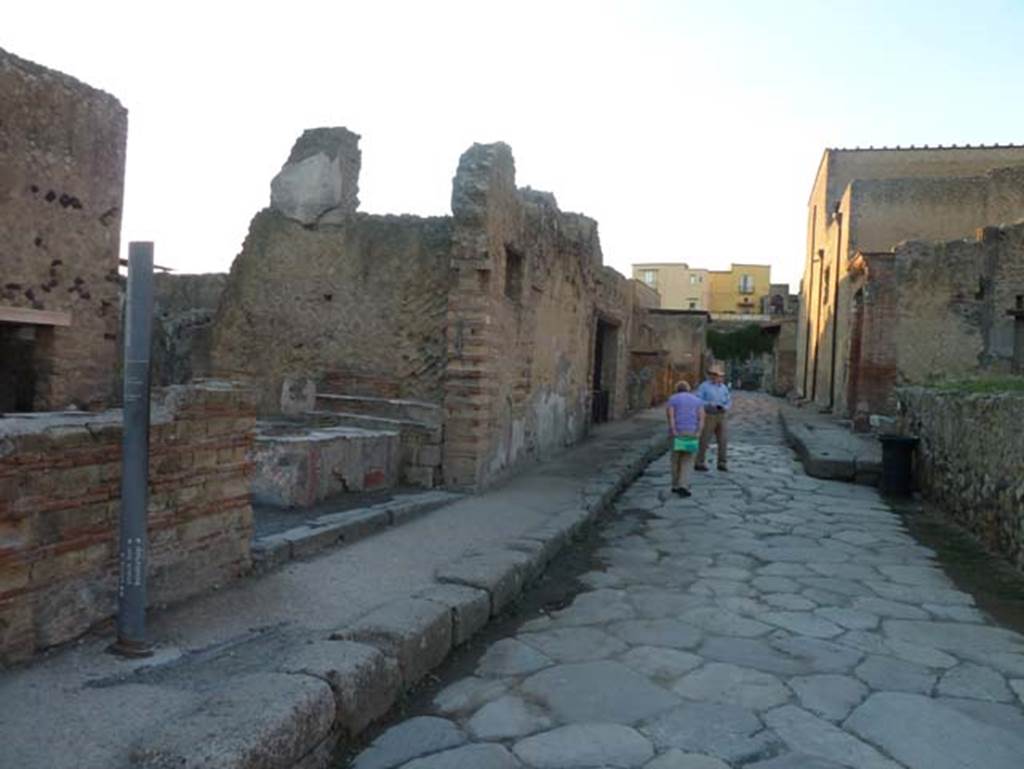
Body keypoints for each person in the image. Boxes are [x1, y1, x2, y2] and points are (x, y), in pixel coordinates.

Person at [666, 379, 705, 496]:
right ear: (688, 389)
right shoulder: (697, 401)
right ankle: (684, 484)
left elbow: (671, 417)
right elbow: (701, 418)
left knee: (675, 459)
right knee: (688, 459)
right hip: (691, 432)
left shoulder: (673, 399)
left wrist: (673, 430)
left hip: (678, 432)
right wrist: (698, 432)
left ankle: (675, 485)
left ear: (676, 389)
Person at [695, 363, 731, 471]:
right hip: (709, 414)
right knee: (704, 439)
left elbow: (728, 400)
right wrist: (708, 404)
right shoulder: (704, 386)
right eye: (715, 375)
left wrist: (725, 407)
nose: (718, 377)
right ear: (711, 375)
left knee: (723, 439)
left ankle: (722, 462)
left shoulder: (724, 388)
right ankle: (699, 462)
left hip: (722, 415)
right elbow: (698, 399)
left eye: (720, 376)